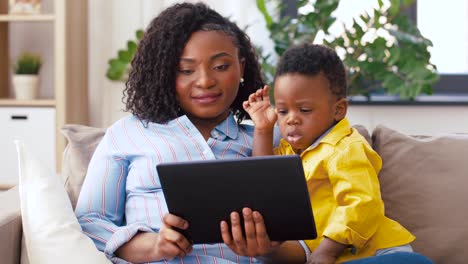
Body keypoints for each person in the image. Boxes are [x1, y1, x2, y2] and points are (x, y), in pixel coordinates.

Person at [75, 2, 309, 263]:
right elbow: (91, 221)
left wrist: (268, 248)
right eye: (186, 70)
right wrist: (153, 246)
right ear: (164, 74)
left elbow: (309, 243)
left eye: (221, 67)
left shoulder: (271, 138)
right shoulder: (127, 134)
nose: (205, 81)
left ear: (241, 67)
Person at [243, 44, 433, 264]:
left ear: (338, 110)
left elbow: (362, 204)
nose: (291, 119)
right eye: (283, 111)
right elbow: (266, 179)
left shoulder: (345, 148)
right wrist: (263, 130)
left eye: (304, 110)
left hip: (377, 253)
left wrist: (328, 250)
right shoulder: (290, 150)